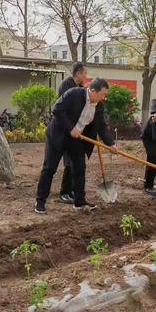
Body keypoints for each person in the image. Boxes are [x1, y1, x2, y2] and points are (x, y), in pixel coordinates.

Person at [35, 78, 114, 214]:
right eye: (102, 95)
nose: (103, 98)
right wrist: (70, 128)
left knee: (79, 168)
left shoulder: (99, 106)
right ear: (93, 91)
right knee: (49, 168)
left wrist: (111, 144)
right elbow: (57, 110)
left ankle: (79, 202)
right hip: (58, 135)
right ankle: (40, 201)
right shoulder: (74, 94)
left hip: (76, 139)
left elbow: (101, 126)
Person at [58, 62, 87, 204]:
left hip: (76, 131)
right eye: (85, 73)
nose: (86, 76)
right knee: (68, 162)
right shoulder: (66, 86)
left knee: (77, 162)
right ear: (78, 74)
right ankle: (64, 192)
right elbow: (66, 108)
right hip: (64, 130)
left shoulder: (81, 87)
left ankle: (74, 190)